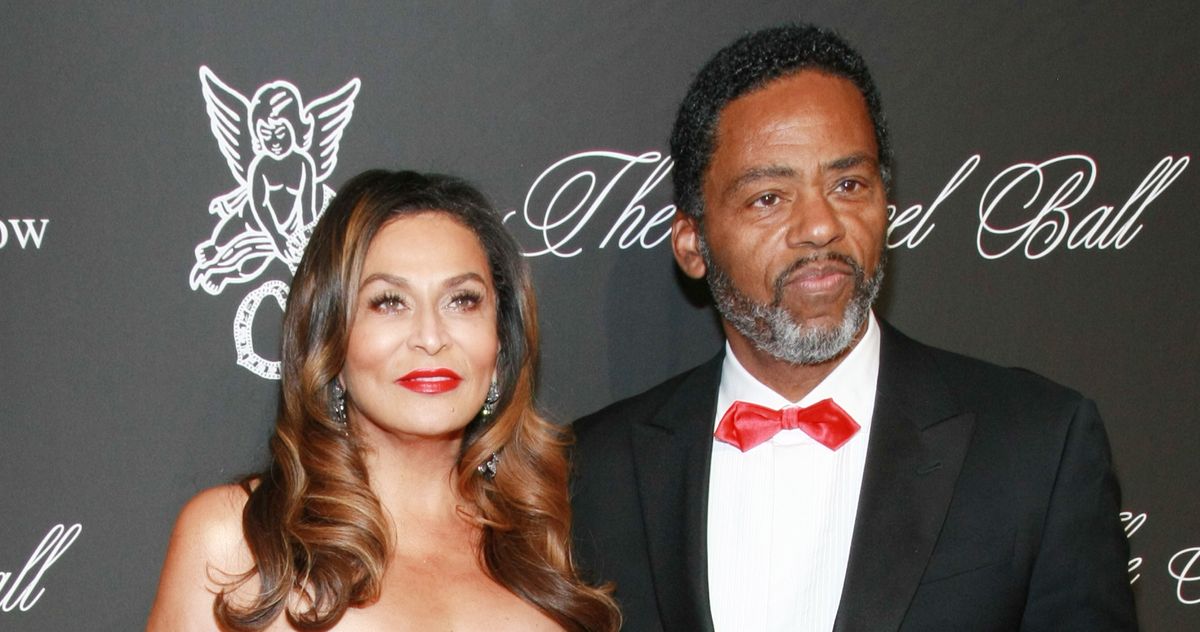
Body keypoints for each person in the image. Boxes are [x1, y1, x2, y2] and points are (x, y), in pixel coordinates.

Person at [570, 24, 1136, 631]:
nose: (820, 226)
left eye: (848, 185)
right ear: (692, 243)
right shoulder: (588, 472)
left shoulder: (1037, 447)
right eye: (769, 197)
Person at [150, 170, 621, 631]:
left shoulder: (543, 540)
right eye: (389, 302)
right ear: (331, 342)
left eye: (462, 300)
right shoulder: (239, 541)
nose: (431, 337)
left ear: (500, 345)